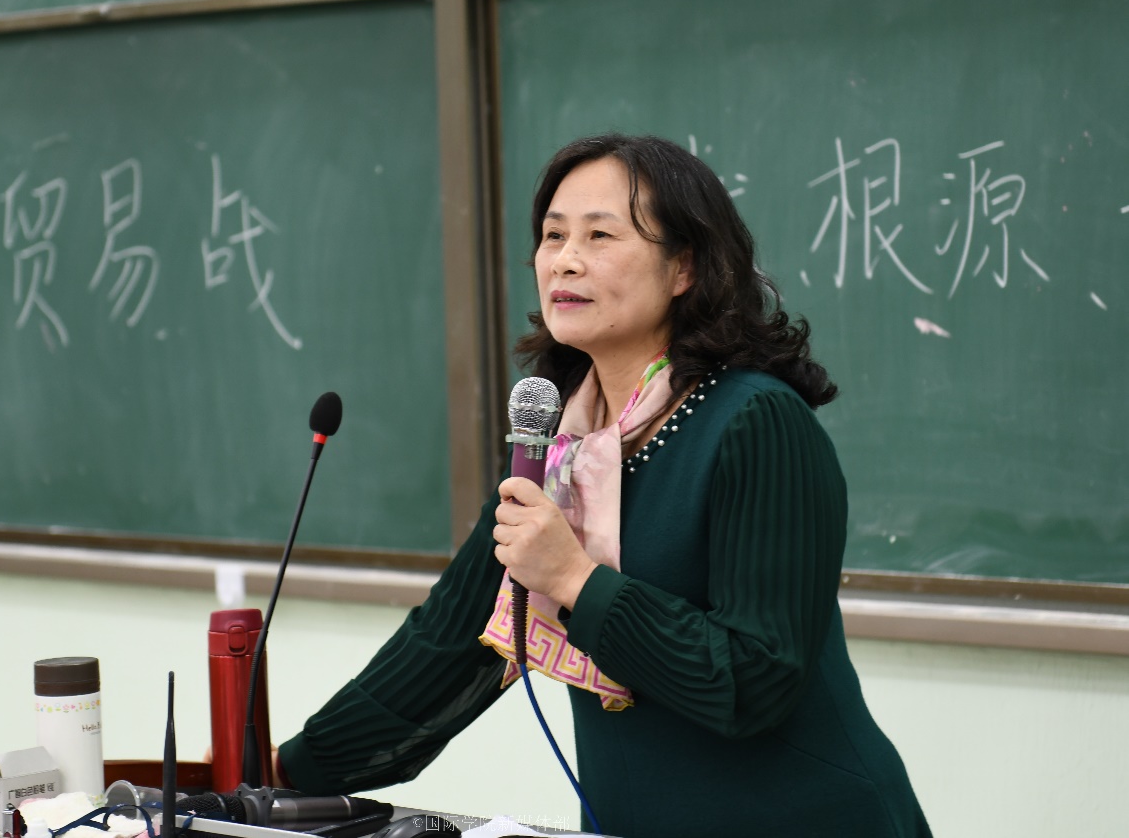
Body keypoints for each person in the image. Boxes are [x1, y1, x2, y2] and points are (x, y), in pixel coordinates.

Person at [273, 133, 932, 837]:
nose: (565, 259)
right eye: (553, 235)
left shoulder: (756, 422)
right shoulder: (563, 447)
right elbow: (446, 643)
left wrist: (575, 581)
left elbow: (752, 680)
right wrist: (276, 774)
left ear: (684, 267)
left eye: (600, 235)